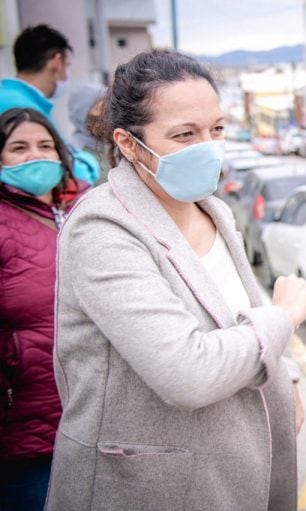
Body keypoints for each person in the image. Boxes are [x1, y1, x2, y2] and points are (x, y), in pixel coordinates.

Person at [46, 49, 306, 510]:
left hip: (236, 466)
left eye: (216, 129)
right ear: (129, 144)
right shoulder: (103, 228)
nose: (208, 147)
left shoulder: (214, 210)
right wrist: (283, 318)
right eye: (184, 135)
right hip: (151, 484)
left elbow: (238, 309)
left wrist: (284, 375)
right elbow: (188, 372)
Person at [0, 108, 87, 511]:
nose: (35, 155)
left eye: (44, 145)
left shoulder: (87, 206)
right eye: (18, 148)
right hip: (24, 430)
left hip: (93, 416)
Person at [0, 24, 99, 185]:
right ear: (57, 62)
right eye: (67, 66)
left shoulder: (11, 97)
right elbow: (71, 169)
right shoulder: (23, 108)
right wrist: (88, 166)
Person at [67, 83, 107, 184]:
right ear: (83, 113)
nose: (109, 114)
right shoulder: (75, 154)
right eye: (101, 108)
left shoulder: (106, 147)